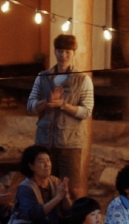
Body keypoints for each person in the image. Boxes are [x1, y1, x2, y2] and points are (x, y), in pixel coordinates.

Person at [27, 34, 94, 199]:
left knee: (71, 190)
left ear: (73, 53)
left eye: (67, 52)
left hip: (69, 143)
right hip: (44, 142)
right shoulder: (43, 76)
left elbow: (86, 111)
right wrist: (46, 102)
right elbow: (30, 106)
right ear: (55, 52)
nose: (63, 56)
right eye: (60, 51)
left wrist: (63, 105)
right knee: (43, 187)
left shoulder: (82, 79)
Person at [6, 144, 72, 224]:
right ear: (31, 166)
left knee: (73, 221)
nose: (47, 165)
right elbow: (34, 214)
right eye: (41, 161)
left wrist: (65, 196)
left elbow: (67, 211)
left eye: (48, 160)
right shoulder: (25, 187)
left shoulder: (55, 182)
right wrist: (57, 197)